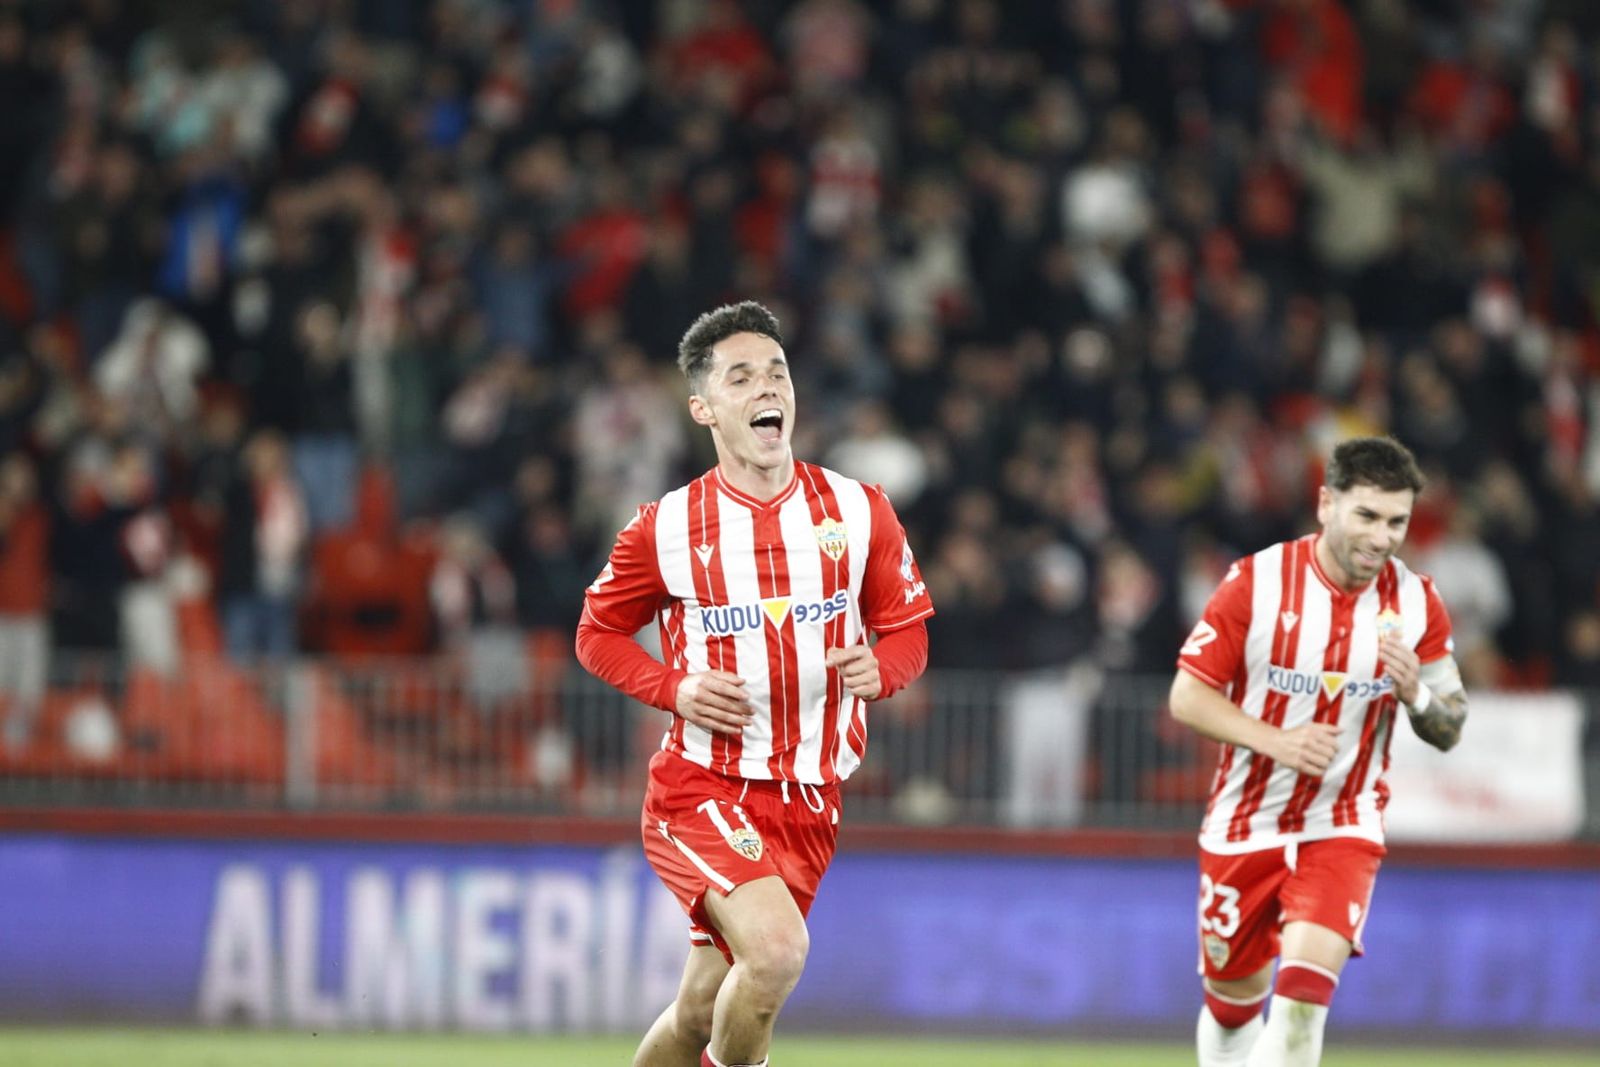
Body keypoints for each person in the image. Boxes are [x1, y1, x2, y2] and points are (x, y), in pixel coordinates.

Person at [576, 301, 933, 1067]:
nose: (767, 385)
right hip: (703, 786)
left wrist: (886, 669)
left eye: (776, 370)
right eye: (741, 376)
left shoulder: (858, 510)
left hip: (809, 799)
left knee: (702, 1008)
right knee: (774, 953)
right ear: (704, 407)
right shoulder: (665, 528)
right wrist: (673, 688)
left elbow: (907, 627)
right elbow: (595, 634)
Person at [1169, 436, 1468, 1067]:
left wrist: (1416, 694)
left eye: (1398, 522)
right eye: (1367, 516)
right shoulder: (1256, 583)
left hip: (1343, 822)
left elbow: (1451, 723)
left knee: (1303, 1006)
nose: (1383, 537)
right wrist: (1276, 740)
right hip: (1245, 823)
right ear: (1326, 503)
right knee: (1231, 1007)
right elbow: (1188, 698)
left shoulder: (1417, 604)